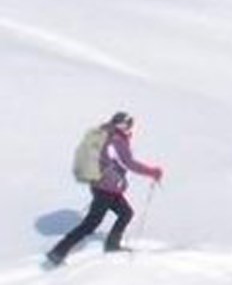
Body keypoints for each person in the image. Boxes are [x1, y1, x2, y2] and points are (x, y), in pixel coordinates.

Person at [46, 112, 164, 267]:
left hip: (105, 186)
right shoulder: (117, 140)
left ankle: (112, 245)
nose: (130, 128)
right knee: (91, 223)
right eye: (129, 124)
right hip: (105, 188)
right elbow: (129, 163)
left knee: (125, 213)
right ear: (122, 124)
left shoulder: (107, 135)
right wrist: (152, 171)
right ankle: (58, 252)